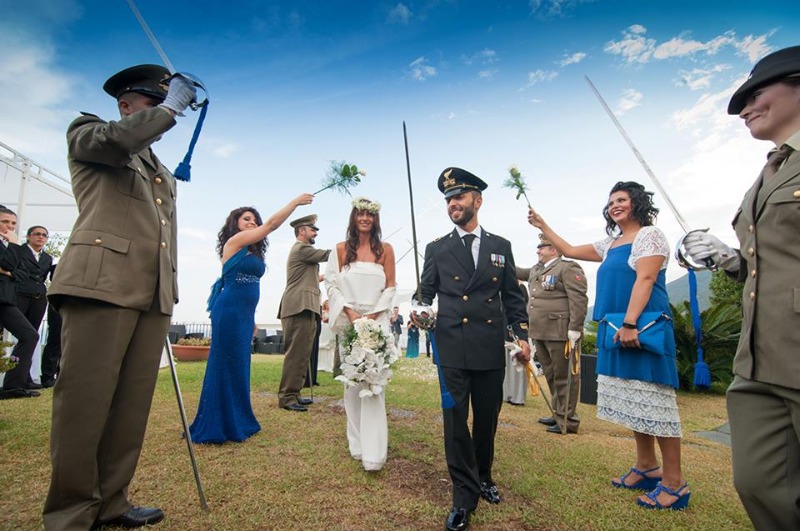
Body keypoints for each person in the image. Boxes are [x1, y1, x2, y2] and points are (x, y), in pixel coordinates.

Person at [43, 64, 196, 530]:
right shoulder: (90, 132)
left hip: (149, 293)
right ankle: (70, 514)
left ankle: (111, 500)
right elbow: (115, 141)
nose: (165, 118)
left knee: (130, 408)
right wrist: (170, 109)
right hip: (102, 284)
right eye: (155, 105)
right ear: (127, 105)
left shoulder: (155, 165)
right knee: (85, 406)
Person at [682, 45, 800, 530]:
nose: (745, 107)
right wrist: (729, 258)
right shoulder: (767, 173)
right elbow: (770, 263)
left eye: (756, 93)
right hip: (760, 360)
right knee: (759, 484)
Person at [529, 181, 688, 510]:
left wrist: (631, 323)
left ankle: (675, 483)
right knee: (633, 401)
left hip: (642, 328)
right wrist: (543, 225)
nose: (615, 205)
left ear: (638, 203)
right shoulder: (612, 242)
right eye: (612, 201)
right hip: (616, 328)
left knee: (656, 404)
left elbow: (645, 279)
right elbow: (571, 251)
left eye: (622, 200)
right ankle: (646, 467)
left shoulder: (650, 236)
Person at [414, 167, 530, 531]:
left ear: (477, 201)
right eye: (448, 199)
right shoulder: (437, 248)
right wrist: (419, 308)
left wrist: (522, 334)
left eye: (459, 197)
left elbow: (512, 297)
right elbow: (424, 291)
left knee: (486, 418)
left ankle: (483, 477)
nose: (453, 204)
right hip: (450, 346)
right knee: (454, 421)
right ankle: (464, 495)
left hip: (488, 346)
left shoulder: (501, 247)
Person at [190, 196, 314, 444]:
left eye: (254, 219)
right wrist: (295, 203)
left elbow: (248, 290)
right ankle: (217, 423)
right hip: (228, 312)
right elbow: (269, 226)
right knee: (224, 363)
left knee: (239, 365)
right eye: (246, 219)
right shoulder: (234, 242)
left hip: (244, 316)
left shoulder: (251, 250)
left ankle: (237, 418)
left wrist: (253, 318)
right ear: (234, 223)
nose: (252, 222)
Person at [325, 197, 397, 471]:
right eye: (360, 214)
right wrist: (352, 314)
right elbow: (332, 286)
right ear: (353, 218)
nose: (365, 218)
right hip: (349, 322)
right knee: (353, 384)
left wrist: (373, 316)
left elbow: (390, 287)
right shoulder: (341, 250)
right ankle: (357, 445)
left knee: (375, 384)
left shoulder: (385, 250)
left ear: (376, 219)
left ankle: (374, 452)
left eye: (370, 214)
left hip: (377, 322)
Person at [516, 234, 588, 432]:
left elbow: (578, 299)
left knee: (565, 376)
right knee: (551, 374)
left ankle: (568, 420)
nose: (538, 250)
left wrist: (575, 328)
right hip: (540, 331)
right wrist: (499, 259)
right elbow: (517, 272)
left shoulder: (567, 268)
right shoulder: (537, 269)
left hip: (561, 332)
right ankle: (558, 413)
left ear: (553, 250)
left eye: (542, 247)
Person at [277, 214, 331, 412]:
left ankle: (295, 394)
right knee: (296, 354)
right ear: (302, 231)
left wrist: (323, 277)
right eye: (313, 229)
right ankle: (287, 397)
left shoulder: (303, 253)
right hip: (298, 307)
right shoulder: (302, 249)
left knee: (303, 354)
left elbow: (308, 278)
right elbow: (329, 255)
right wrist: (350, 247)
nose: (315, 232)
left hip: (305, 306)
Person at [0, 207, 41, 400]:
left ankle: (13, 385)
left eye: (13, 223)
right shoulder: (14, 245)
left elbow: (21, 273)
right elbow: (9, 264)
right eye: (5, 222)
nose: (9, 227)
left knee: (29, 335)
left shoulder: (9, 246)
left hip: (6, 299)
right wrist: (15, 244)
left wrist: (8, 272)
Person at [16, 225, 54, 389]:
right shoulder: (18, 252)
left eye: (44, 235)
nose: (41, 237)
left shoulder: (47, 258)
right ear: (28, 236)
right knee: (21, 335)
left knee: (31, 337)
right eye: (37, 234)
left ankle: (25, 376)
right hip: (19, 295)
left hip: (38, 298)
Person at [502, 282, 529, 406]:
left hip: (514, 330)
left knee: (518, 369)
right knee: (508, 366)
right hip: (503, 328)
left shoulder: (520, 287)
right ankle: (507, 394)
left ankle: (518, 397)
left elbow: (519, 311)